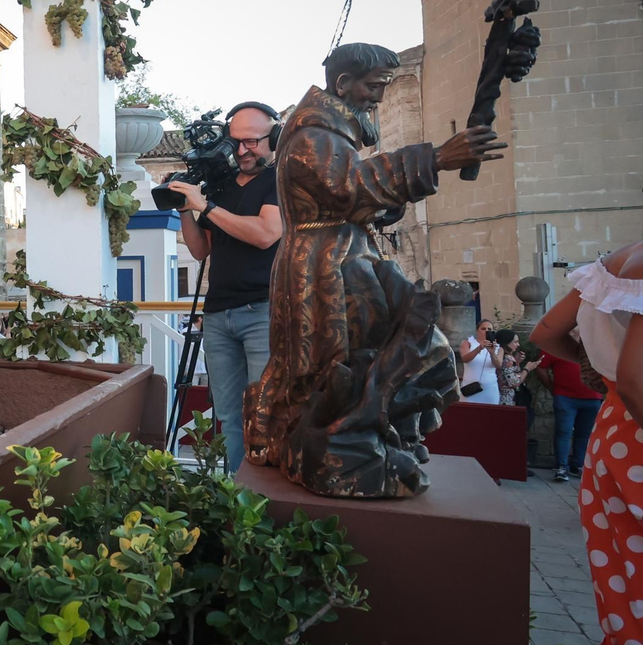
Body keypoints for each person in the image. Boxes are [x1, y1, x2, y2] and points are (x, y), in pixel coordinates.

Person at [243, 42, 508, 497]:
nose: (379, 98)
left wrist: (386, 204)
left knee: (373, 348)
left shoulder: (329, 132)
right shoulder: (313, 135)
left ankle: (373, 430)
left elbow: (352, 197)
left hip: (343, 256)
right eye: (374, 86)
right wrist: (436, 158)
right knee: (332, 361)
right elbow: (349, 187)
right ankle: (338, 438)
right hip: (323, 265)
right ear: (344, 84)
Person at [530, 241, 643, 645]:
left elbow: (544, 332)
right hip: (635, 430)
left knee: (627, 591)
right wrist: (615, 376)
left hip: (614, 429)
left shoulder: (615, 260)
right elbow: (636, 381)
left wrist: (598, 368)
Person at [166, 101, 283, 472]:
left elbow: (266, 235)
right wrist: (186, 208)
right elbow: (201, 250)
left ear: (274, 138)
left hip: (263, 312)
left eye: (252, 141)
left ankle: (266, 501)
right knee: (229, 418)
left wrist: (207, 207)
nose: (243, 150)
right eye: (236, 142)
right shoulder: (220, 188)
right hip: (217, 316)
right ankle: (236, 499)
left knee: (265, 415)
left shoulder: (280, 181)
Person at [535, 347, 604, 482]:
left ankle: (578, 465)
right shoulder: (557, 345)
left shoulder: (595, 345)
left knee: (584, 434)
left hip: (593, 397)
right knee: (564, 431)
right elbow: (540, 366)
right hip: (565, 397)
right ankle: (562, 466)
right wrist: (553, 388)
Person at [458, 319, 501, 405]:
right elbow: (465, 359)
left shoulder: (499, 348)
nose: (486, 331)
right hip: (470, 387)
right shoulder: (468, 343)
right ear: (477, 331)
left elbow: (498, 365)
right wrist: (479, 348)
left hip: (490, 389)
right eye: (483, 329)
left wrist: (492, 353)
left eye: (489, 329)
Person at [494, 329, 538, 406]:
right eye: (515, 342)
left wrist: (516, 362)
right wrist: (527, 369)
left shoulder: (497, 356)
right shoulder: (508, 360)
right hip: (508, 400)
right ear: (506, 343)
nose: (518, 345)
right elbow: (514, 382)